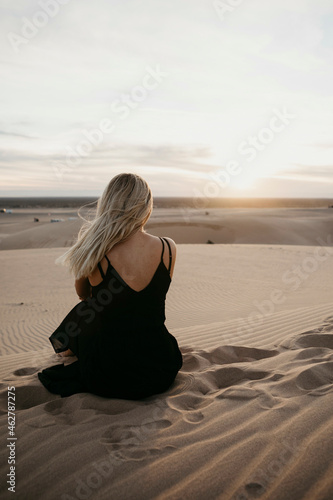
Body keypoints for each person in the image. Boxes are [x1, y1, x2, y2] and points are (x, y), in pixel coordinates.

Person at [38, 173, 182, 399]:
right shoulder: (168, 248)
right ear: (146, 206)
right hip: (161, 366)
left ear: (108, 203)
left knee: (85, 310)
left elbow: (82, 295)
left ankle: (67, 351)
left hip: (109, 374)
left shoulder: (95, 249)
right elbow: (149, 301)